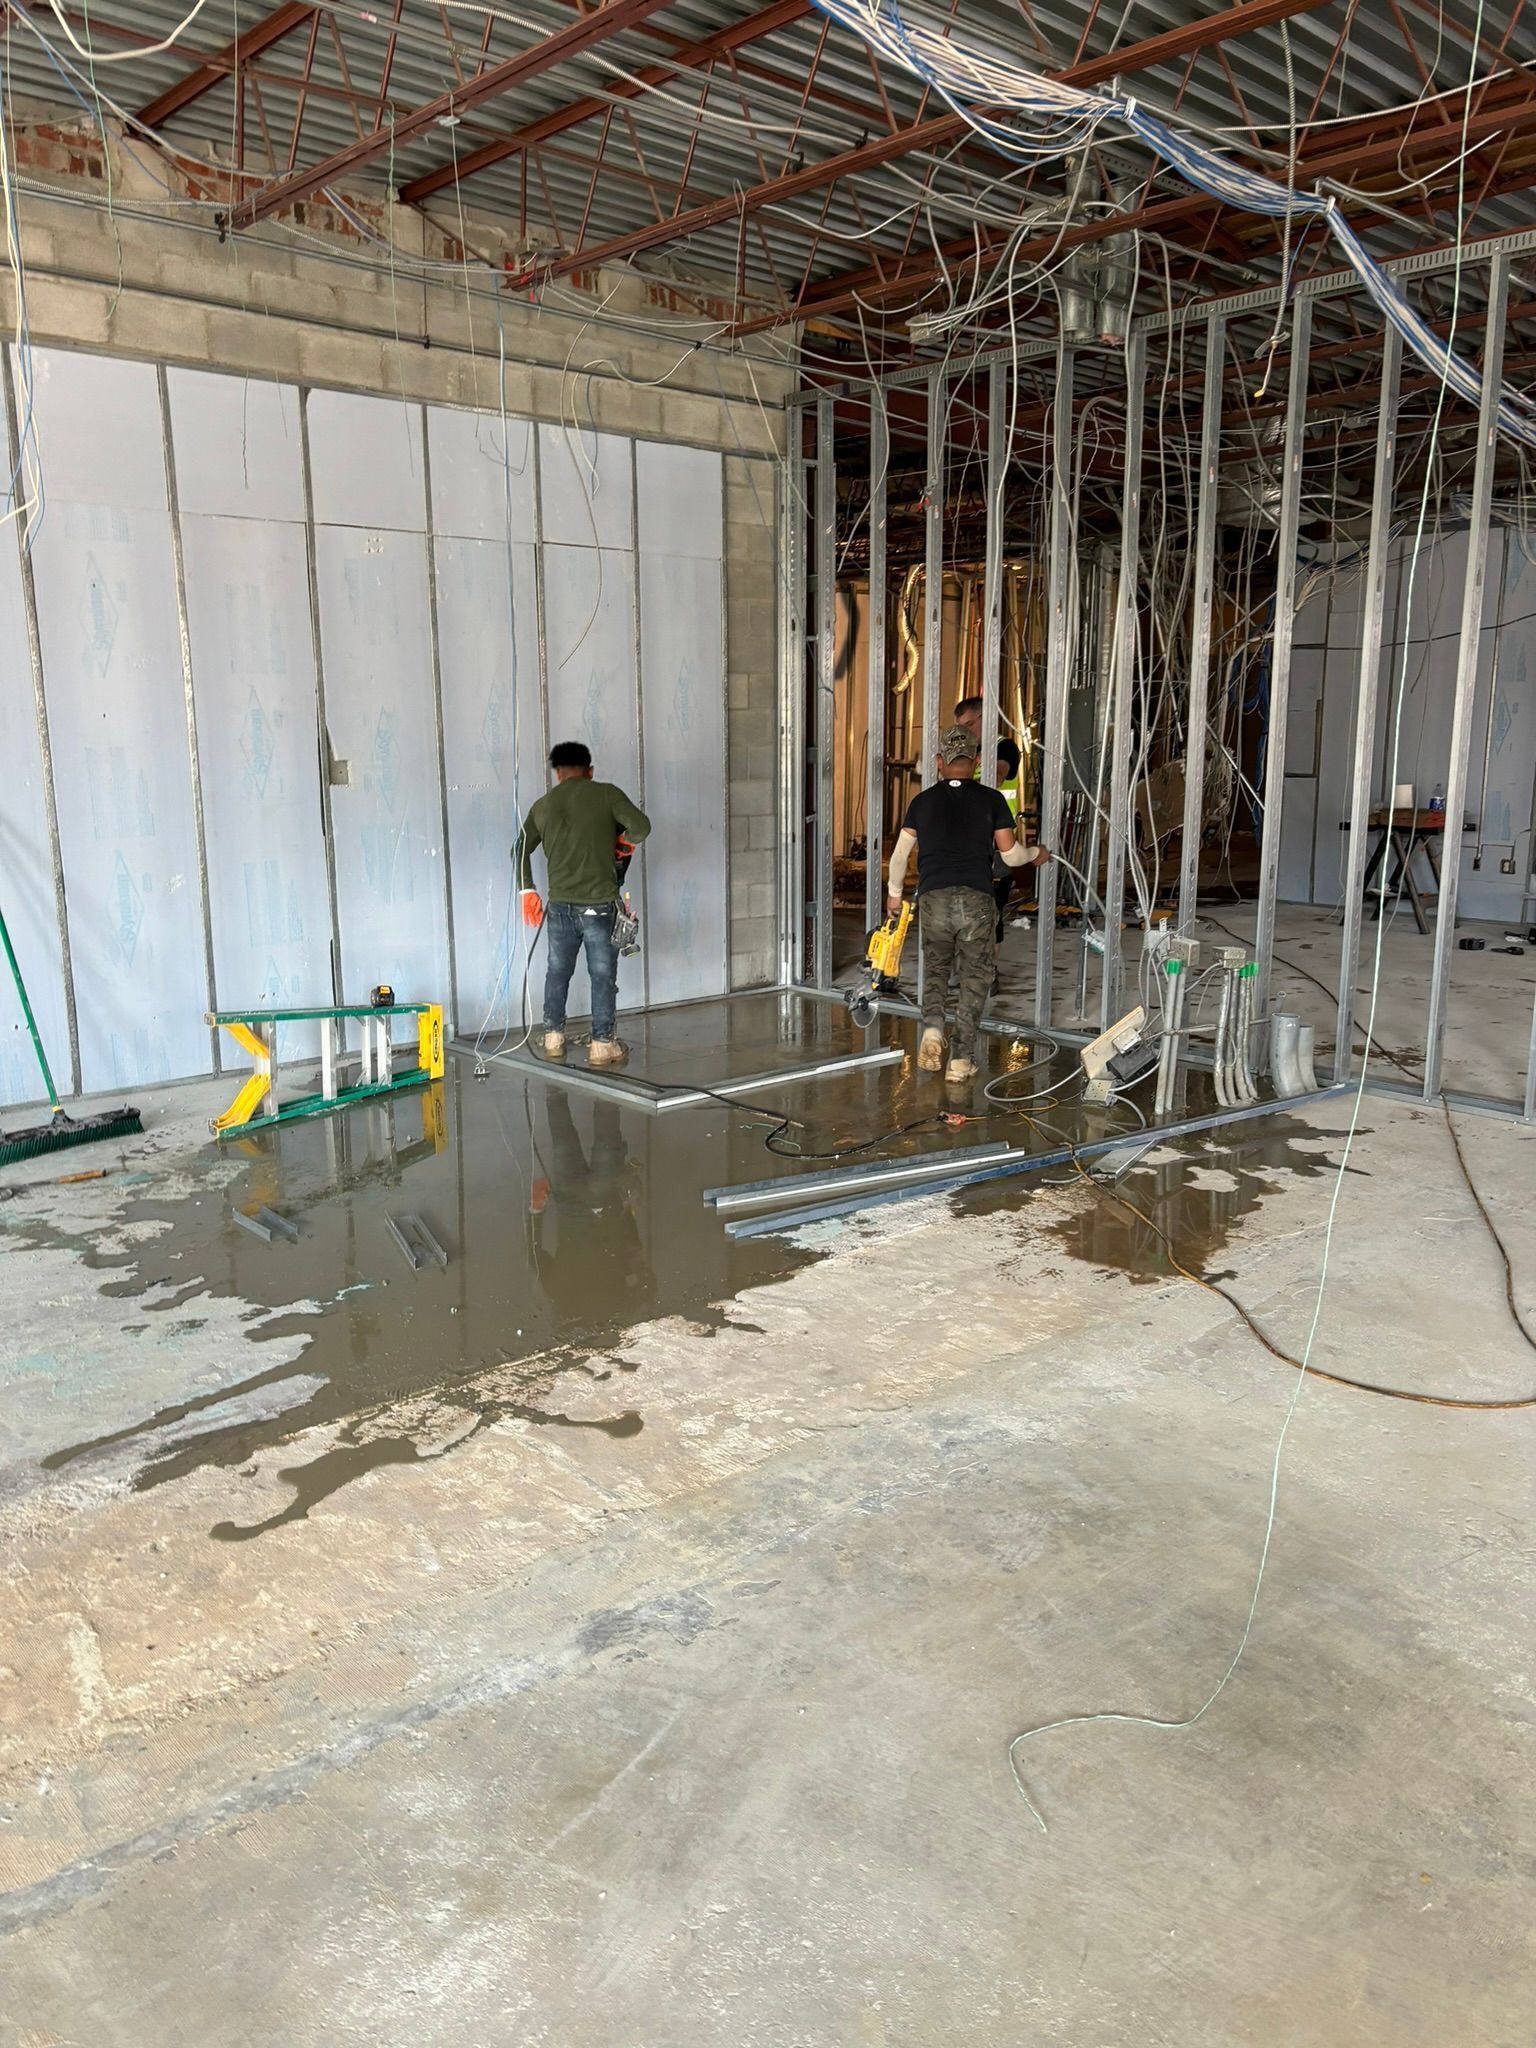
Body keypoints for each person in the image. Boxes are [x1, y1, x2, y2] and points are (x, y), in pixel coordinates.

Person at [886, 725, 1049, 1084]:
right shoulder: (992, 799)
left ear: (940, 762)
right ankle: (960, 1059)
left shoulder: (922, 802)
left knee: (937, 970)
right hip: (976, 898)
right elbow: (1012, 853)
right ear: (976, 761)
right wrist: (1038, 854)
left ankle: (931, 1030)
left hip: (933, 898)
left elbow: (899, 856)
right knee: (975, 979)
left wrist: (894, 894)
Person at [515, 741, 650, 1066]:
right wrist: (621, 842)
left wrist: (527, 891)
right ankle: (602, 1045)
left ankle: (553, 1039)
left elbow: (519, 848)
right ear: (589, 771)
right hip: (600, 907)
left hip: (560, 907)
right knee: (602, 976)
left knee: (557, 972)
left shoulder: (544, 805)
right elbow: (642, 827)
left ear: (558, 774)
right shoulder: (606, 794)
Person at [953, 693, 1025, 942]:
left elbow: (997, 775)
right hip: (964, 841)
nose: (966, 732)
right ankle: (963, 970)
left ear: (986, 719)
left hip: (996, 843)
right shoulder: (965, 751)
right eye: (961, 727)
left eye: (970, 725)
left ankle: (987, 975)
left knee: (990, 912)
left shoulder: (1004, 747)